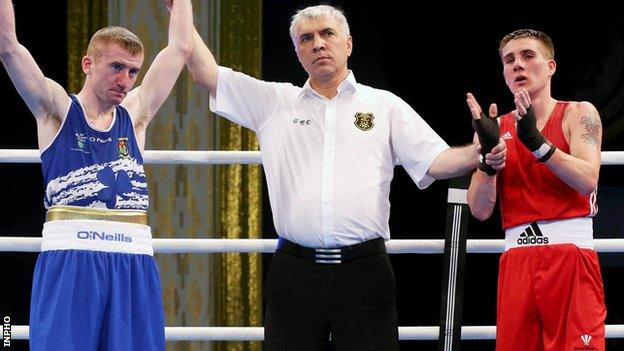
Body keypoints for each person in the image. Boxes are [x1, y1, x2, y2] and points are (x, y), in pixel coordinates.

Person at [186, 5, 505, 350]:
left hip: (364, 270)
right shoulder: (274, 101)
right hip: (294, 271)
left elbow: (435, 161)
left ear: (348, 44)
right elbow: (205, 72)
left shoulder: (383, 105)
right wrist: (181, 9)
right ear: (296, 51)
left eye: (327, 34)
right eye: (306, 38)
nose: (318, 44)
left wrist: (478, 152)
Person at [0, 0, 193, 349]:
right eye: (117, 67)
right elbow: (8, 47)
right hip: (72, 256)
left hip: (132, 259)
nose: (125, 80)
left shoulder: (135, 115)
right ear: (88, 64)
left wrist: (181, 3)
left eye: (133, 71)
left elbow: (179, 48)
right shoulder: (56, 110)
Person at [466, 29, 606, 351]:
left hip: (569, 258)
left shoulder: (578, 113)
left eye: (528, 56)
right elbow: (480, 210)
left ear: (551, 66)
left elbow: (588, 180)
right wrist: (487, 162)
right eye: (509, 60)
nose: (518, 66)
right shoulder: (495, 128)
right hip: (517, 260)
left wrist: (538, 145)